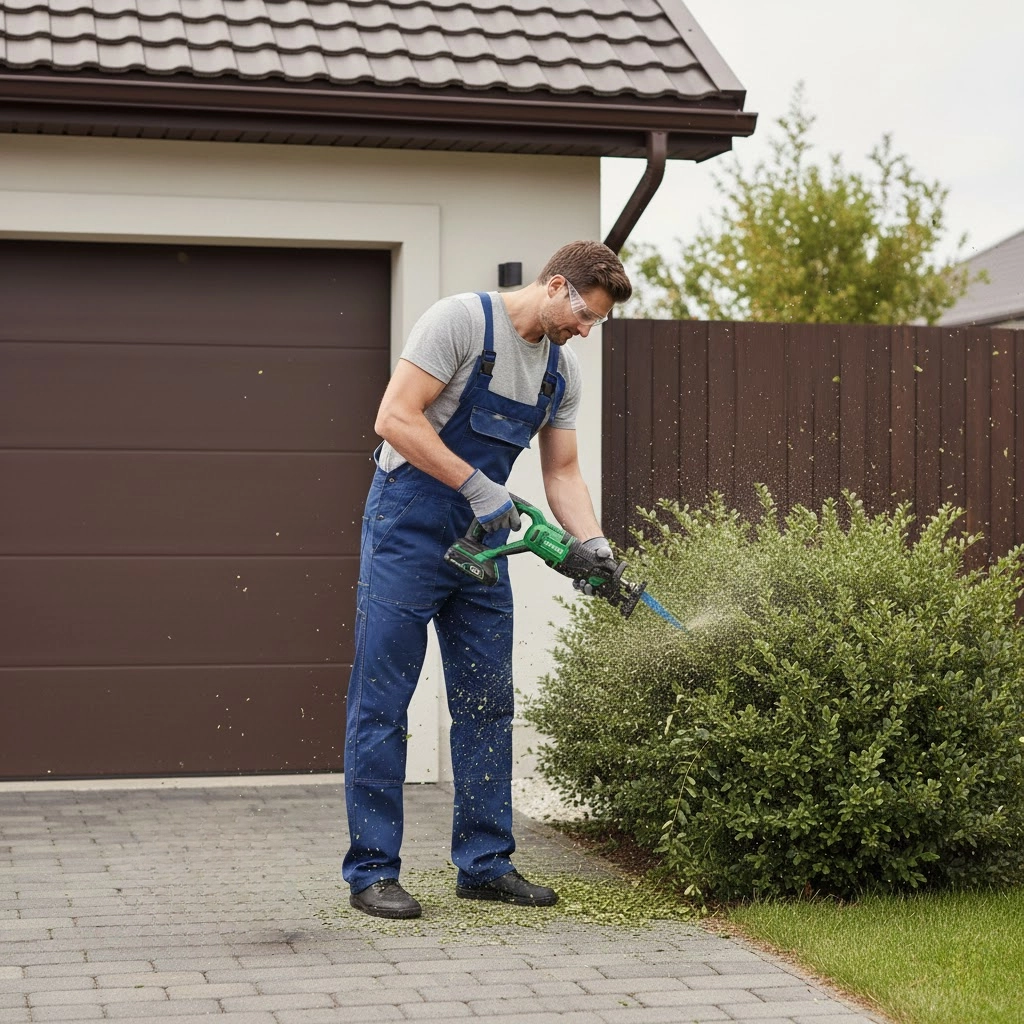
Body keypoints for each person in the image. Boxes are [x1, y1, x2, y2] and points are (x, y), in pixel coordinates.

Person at [343, 240, 633, 919]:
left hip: (484, 541)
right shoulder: (461, 322)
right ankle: (372, 871)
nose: (586, 331)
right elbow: (394, 417)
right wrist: (478, 487)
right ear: (556, 286)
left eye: (597, 322)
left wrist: (593, 547)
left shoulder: (560, 372)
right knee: (383, 701)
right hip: (407, 527)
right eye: (585, 315)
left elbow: (562, 472)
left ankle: (485, 864)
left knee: (487, 702)